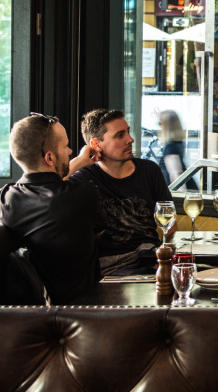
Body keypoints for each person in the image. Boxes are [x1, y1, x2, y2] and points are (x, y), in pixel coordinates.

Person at [0, 113, 106, 303]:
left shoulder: (6, 199)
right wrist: (79, 163)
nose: (70, 151)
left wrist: (77, 162)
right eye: (65, 146)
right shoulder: (84, 193)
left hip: (34, 311)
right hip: (85, 311)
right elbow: (99, 232)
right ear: (49, 157)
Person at [68, 108, 171, 276]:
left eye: (128, 132)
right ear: (96, 144)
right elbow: (44, 188)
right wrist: (79, 161)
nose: (130, 139)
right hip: (114, 269)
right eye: (120, 135)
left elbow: (170, 225)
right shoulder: (83, 179)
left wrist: (166, 259)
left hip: (151, 259)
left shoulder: (149, 170)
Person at [157, 110, 197, 191]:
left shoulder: (170, 146)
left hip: (179, 189)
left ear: (166, 126)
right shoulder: (178, 143)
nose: (159, 126)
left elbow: (176, 173)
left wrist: (180, 195)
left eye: (160, 123)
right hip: (188, 186)